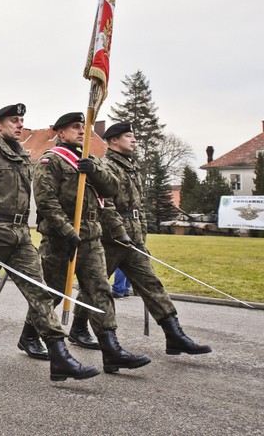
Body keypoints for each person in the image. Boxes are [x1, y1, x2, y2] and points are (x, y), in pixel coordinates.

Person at [0, 104, 98, 380]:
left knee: (40, 291)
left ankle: (59, 355)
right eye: (14, 120)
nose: (19, 125)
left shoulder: (23, 156)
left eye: (21, 121)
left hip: (20, 235)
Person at [69, 122, 211, 356]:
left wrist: (140, 234)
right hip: (110, 238)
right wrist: (118, 232)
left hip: (133, 237)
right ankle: (78, 328)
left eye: (133, 136)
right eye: (128, 136)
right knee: (95, 287)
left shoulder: (132, 166)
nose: (134, 140)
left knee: (150, 282)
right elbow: (106, 204)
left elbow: (138, 207)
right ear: (114, 140)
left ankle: (174, 335)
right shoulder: (106, 166)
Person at [25, 111, 151, 374]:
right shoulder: (51, 161)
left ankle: (111, 349)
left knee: (99, 290)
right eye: (74, 127)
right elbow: (46, 202)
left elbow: (111, 189)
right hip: (61, 238)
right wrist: (66, 230)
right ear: (61, 133)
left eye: (82, 127)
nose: (81, 131)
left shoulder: (89, 160)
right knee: (53, 292)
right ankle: (29, 335)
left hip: (91, 236)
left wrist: (94, 171)